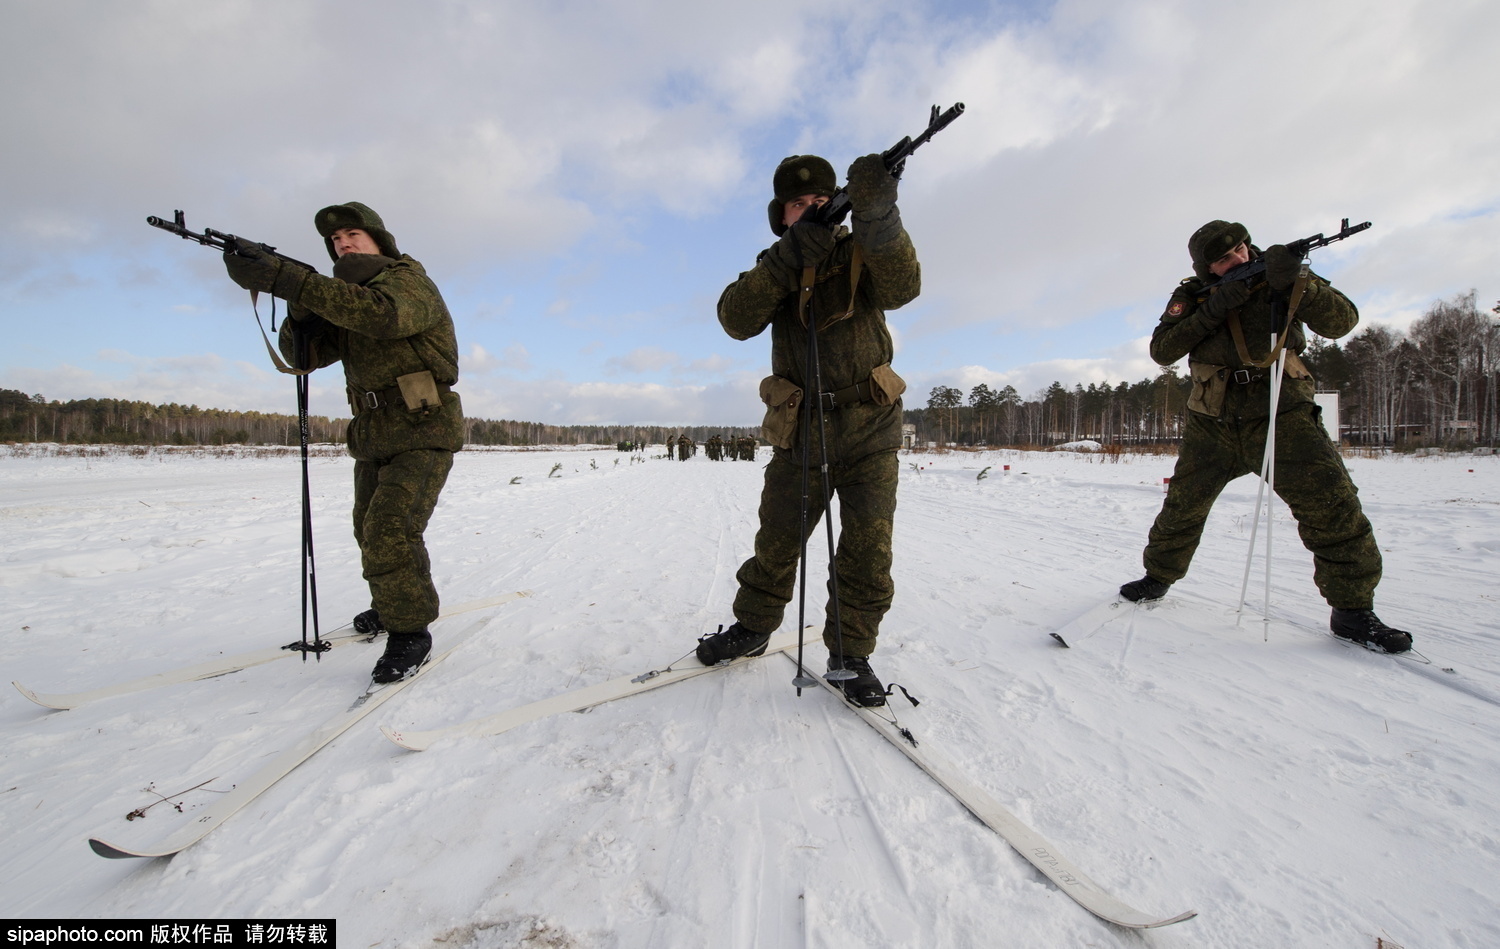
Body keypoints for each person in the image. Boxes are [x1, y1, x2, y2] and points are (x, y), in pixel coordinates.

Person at [1120, 220, 1412, 653]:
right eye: (1224, 258)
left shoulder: (1284, 276)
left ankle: (1352, 612)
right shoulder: (1192, 296)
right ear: (1206, 268)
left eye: (1240, 249)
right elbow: (1163, 350)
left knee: (1332, 506)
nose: (1239, 259)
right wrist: (1212, 311)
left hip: (1282, 415)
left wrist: (1298, 284)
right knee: (1183, 507)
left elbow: (1343, 321)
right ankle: (1158, 578)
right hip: (1212, 421)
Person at [694, 154, 920, 705]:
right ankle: (753, 628)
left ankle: (850, 655)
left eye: (821, 199)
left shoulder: (860, 249)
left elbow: (904, 284)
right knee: (777, 541)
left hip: (870, 428)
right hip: (801, 433)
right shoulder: (774, 267)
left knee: (867, 551)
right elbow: (734, 319)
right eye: (800, 203)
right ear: (783, 215)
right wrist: (783, 263)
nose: (812, 207)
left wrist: (879, 211)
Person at [222, 202, 464, 681]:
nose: (343, 243)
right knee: (367, 528)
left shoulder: (406, 280)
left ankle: (410, 632)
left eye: (353, 234)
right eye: (335, 241)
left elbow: (386, 317)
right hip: (373, 433)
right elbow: (303, 356)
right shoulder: (344, 297)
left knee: (390, 530)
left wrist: (296, 283)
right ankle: (391, 603)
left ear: (380, 240)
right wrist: (300, 310)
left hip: (424, 428)